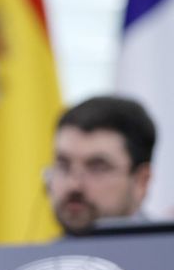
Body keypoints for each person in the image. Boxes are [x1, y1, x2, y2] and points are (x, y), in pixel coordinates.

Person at [45, 95, 156, 236]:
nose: (74, 185)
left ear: (141, 181)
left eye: (97, 168)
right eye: (63, 165)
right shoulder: (35, 257)